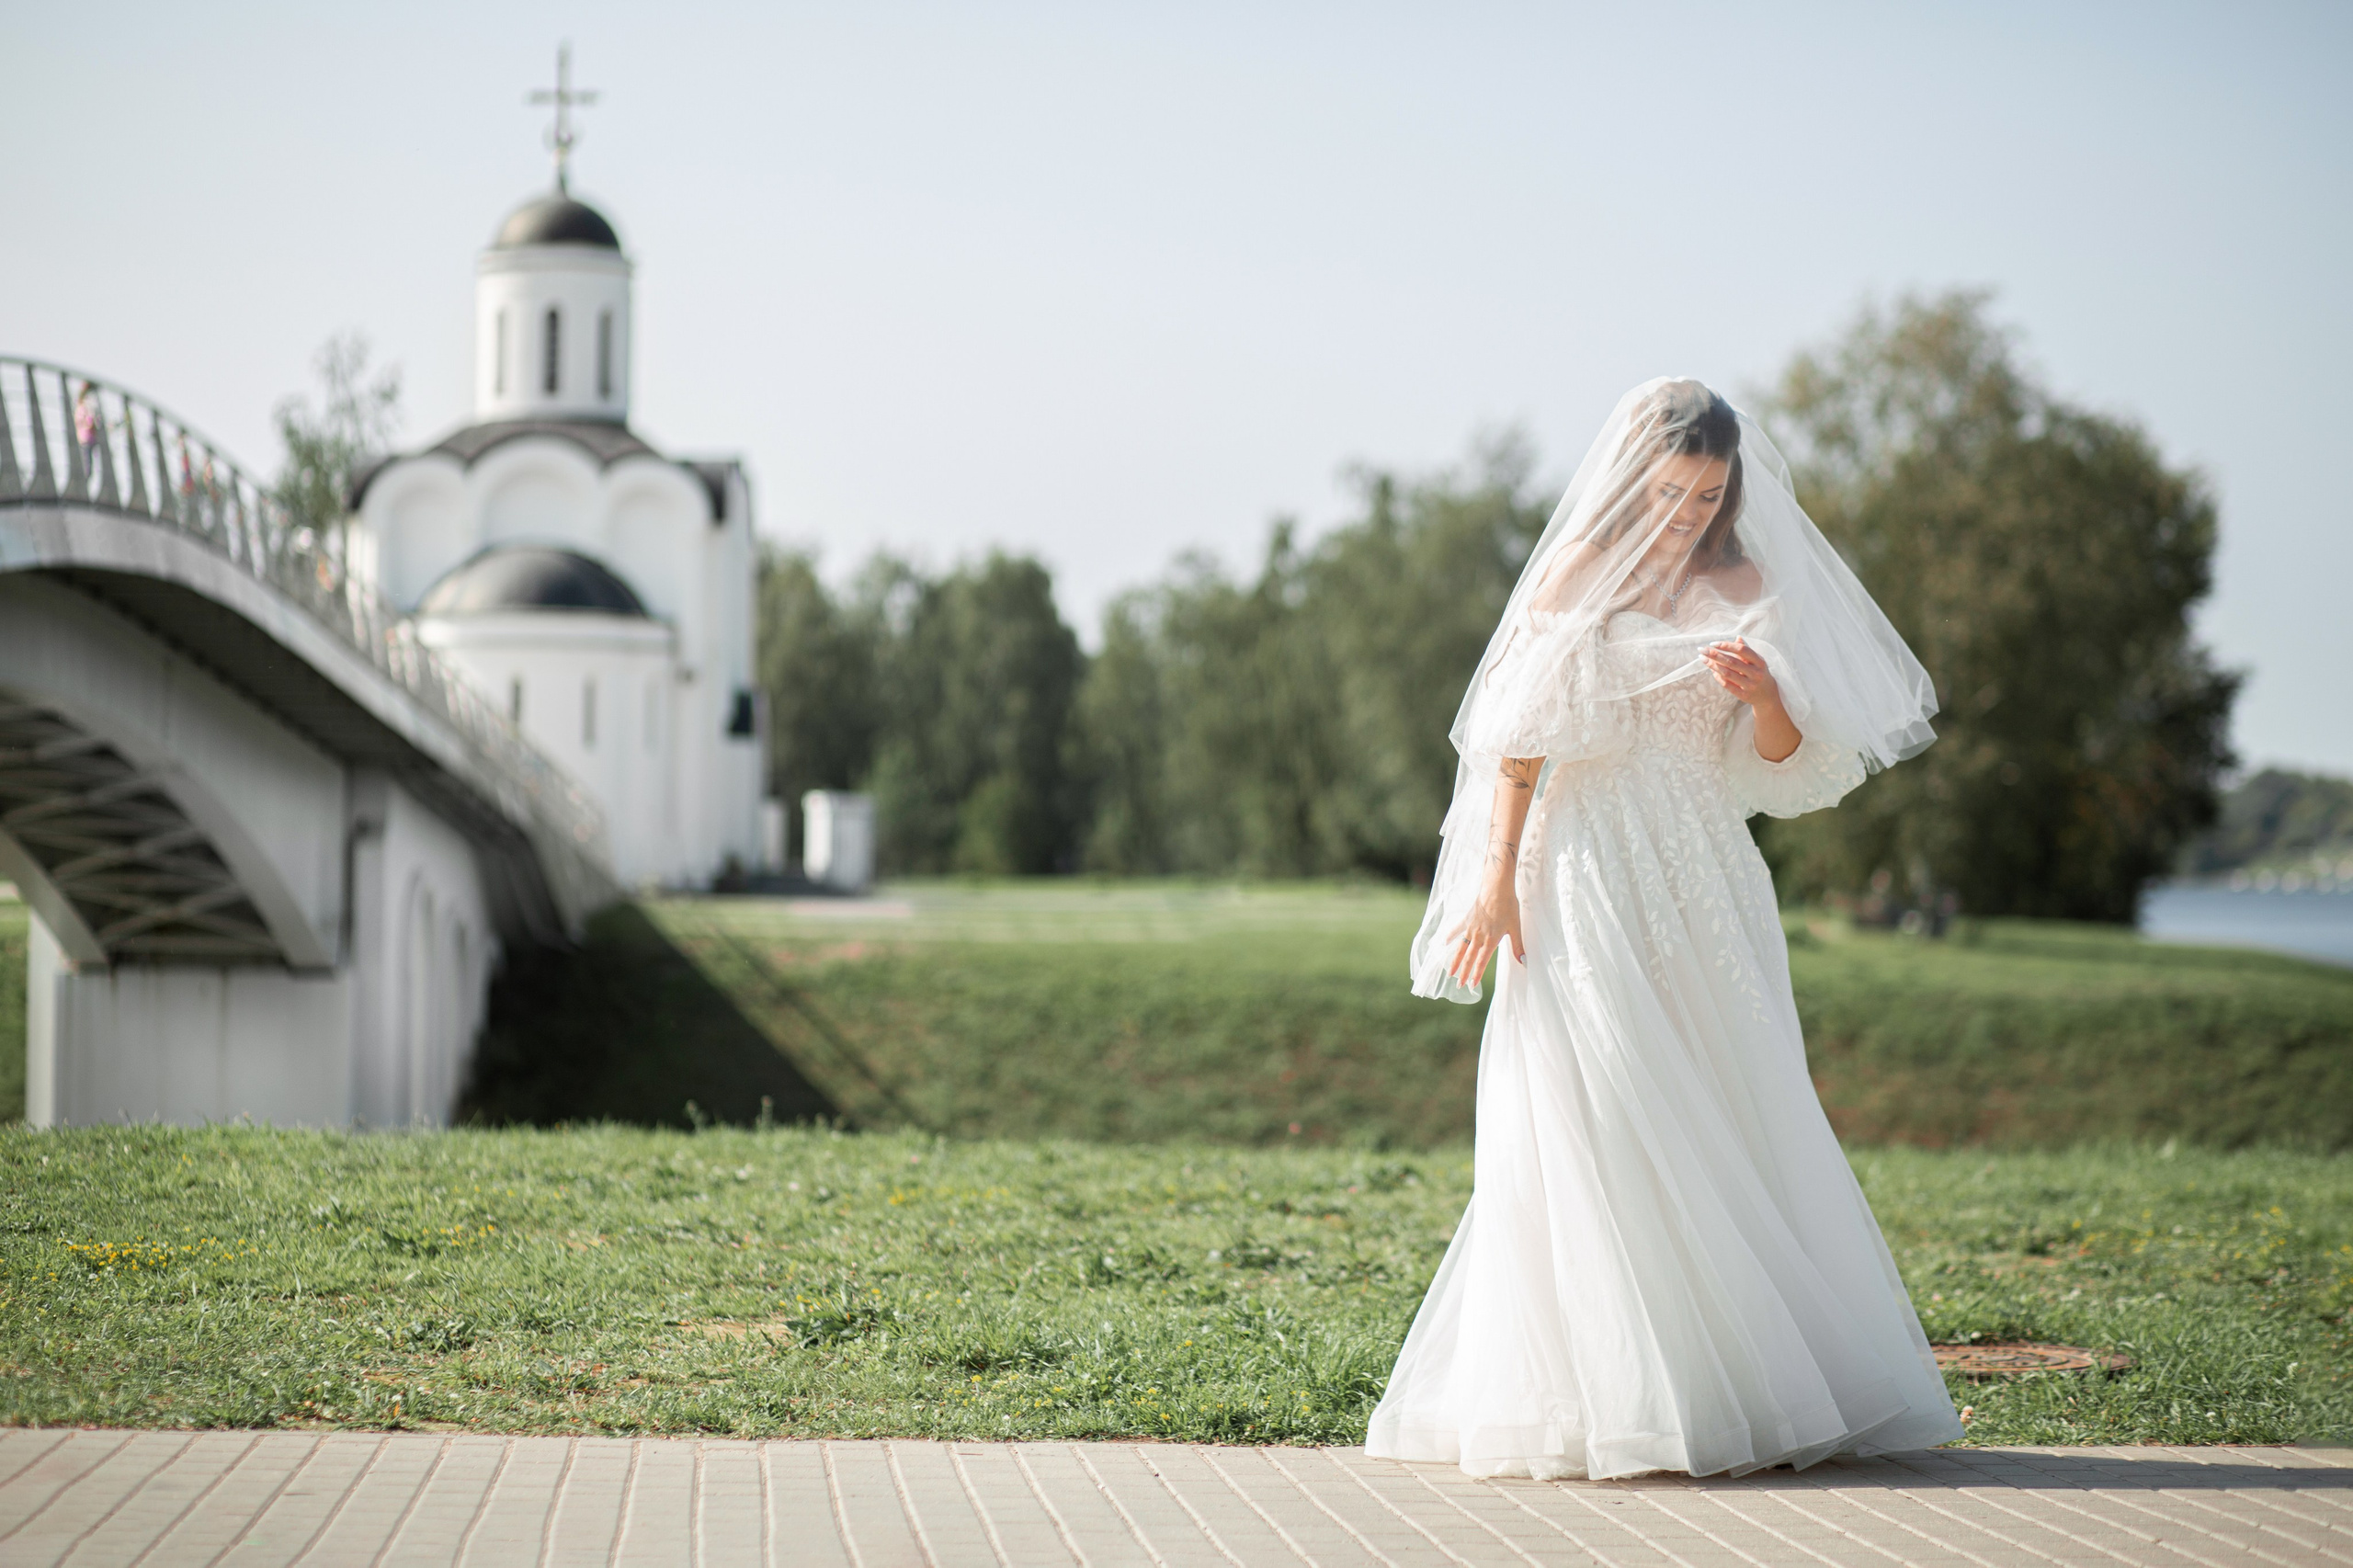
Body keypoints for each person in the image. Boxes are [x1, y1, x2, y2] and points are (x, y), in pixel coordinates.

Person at [1366, 378, 1961, 1481]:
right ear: (1634, 475)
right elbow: (1519, 743)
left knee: (1722, 1098)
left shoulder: (1748, 581)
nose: (1688, 512)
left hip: (1702, 866)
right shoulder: (1577, 575)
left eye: (1708, 493)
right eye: (1674, 491)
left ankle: (1738, 1383)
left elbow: (1786, 762)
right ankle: (1606, 1393)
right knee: (1593, 1101)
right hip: (1580, 862)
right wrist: (1494, 880)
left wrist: (1766, 694)